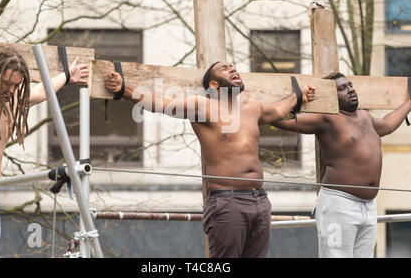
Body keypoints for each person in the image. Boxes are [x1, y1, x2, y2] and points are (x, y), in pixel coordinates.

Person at [105, 61, 316, 257]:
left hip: (260, 201)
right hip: (228, 202)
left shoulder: (252, 107)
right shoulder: (204, 107)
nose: (233, 69)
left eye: (234, 67)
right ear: (214, 84)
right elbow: (161, 103)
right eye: (225, 69)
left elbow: (279, 110)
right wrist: (124, 89)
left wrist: (298, 95)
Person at [0, 48, 88, 258]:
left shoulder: (11, 99)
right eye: (6, 83)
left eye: (15, 85)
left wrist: (66, 76)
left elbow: (41, 92)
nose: (10, 90)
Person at [271, 72, 411, 258]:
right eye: (342, 88)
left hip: (368, 207)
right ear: (331, 96)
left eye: (350, 85)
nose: (350, 89)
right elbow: (280, 120)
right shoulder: (327, 119)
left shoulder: (365, 117)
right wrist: (295, 99)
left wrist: (409, 102)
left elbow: (387, 124)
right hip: (339, 204)